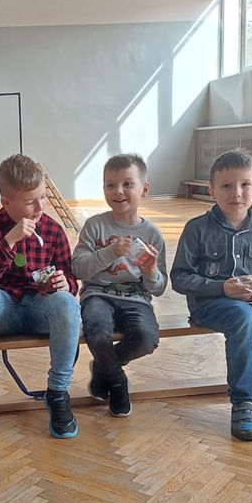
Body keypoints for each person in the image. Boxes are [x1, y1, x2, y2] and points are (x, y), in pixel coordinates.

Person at [170, 150, 252, 441]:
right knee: (242, 317)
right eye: (227, 186)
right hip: (209, 304)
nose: (236, 193)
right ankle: (244, 401)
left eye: (245, 185)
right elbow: (179, 277)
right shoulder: (197, 229)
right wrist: (221, 288)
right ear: (212, 190)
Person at [0, 153, 81, 443]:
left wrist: (64, 284)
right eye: (30, 201)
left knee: (67, 302)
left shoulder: (53, 230)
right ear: (6, 202)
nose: (40, 207)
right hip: (2, 311)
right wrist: (9, 240)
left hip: (40, 310)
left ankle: (58, 392)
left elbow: (72, 282)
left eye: (43, 197)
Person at [72, 154, 167, 417]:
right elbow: (77, 268)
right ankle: (117, 382)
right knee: (97, 332)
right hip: (97, 295)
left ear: (144, 189)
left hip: (136, 298)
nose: (118, 191)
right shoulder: (95, 226)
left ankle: (103, 368)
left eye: (127, 184)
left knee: (147, 338)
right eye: (110, 185)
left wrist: (149, 271)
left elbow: (159, 287)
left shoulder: (152, 234)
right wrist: (109, 253)